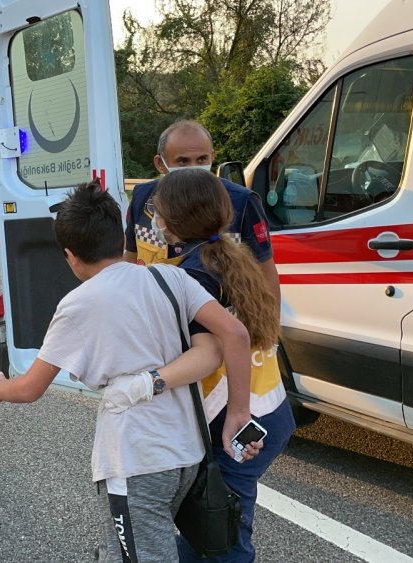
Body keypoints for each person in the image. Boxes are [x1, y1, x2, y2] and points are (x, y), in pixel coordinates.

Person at [0, 182, 260, 563]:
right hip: (188, 453)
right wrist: (239, 412)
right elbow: (234, 335)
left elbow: (31, 388)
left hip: (136, 459)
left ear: (70, 257)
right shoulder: (169, 278)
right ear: (121, 238)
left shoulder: (77, 305)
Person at [107, 169, 295, 563]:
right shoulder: (228, 255)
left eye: (158, 213)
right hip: (268, 409)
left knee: (222, 539)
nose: (155, 220)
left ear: (171, 222)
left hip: (238, 420)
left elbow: (211, 351)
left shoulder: (194, 275)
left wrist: (147, 382)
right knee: (205, 530)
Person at [124, 120, 280, 307]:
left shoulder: (242, 201)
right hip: (155, 317)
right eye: (182, 161)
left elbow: (265, 273)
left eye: (201, 159)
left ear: (212, 157)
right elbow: (130, 260)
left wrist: (268, 326)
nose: (194, 168)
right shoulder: (142, 197)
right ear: (160, 163)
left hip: (219, 320)